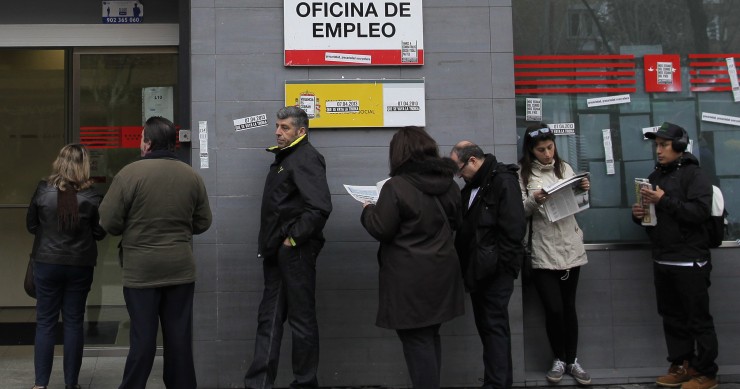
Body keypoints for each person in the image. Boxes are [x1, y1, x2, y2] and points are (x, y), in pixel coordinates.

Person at [99, 116, 212, 389]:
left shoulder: (129, 175)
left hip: (142, 272)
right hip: (180, 270)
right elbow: (203, 221)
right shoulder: (192, 175)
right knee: (179, 342)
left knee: (143, 340)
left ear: (147, 143)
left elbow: (109, 222)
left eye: (141, 138)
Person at [360, 126, 465, 389]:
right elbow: (458, 222)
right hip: (442, 272)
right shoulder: (449, 185)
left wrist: (367, 210)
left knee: (416, 341)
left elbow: (381, 229)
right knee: (429, 336)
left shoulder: (396, 187)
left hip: (409, 278)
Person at [244, 106, 332, 389]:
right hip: (277, 253)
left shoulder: (305, 158)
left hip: (295, 253)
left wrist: (291, 240)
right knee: (268, 319)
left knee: (301, 320)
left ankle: (305, 383)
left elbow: (319, 208)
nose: (278, 131)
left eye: (284, 127)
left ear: (301, 131)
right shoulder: (288, 158)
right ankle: (258, 383)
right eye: (278, 126)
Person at [631, 122, 718, 389]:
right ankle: (681, 365)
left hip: (690, 260)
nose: (658, 150)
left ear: (679, 147)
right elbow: (657, 216)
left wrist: (663, 201)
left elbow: (699, 213)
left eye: (664, 145)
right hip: (663, 259)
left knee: (697, 320)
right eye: (656, 145)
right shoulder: (655, 177)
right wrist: (639, 216)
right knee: (672, 318)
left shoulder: (695, 176)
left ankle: (706, 373)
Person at [27, 144, 107, 389]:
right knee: (73, 322)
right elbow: (100, 232)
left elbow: (31, 226)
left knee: (46, 322)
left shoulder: (43, 191)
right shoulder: (93, 196)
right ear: (84, 166)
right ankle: (71, 384)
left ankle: (41, 385)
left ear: (59, 162)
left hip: (47, 263)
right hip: (79, 265)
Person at [518, 123, 591, 385]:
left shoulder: (565, 168)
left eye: (550, 148)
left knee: (569, 308)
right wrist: (534, 199)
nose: (547, 154)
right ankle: (559, 358)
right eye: (541, 150)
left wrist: (583, 189)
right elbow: (519, 212)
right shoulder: (524, 175)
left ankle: (573, 360)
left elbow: (580, 204)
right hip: (543, 249)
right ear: (531, 150)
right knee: (554, 309)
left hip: (570, 244)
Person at [449, 141, 526, 389]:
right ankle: (496, 380)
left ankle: (497, 383)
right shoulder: (473, 186)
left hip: (495, 272)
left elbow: (514, 229)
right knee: (488, 327)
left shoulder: (503, 180)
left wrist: (502, 267)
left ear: (473, 160)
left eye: (460, 169)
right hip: (478, 270)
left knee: (494, 327)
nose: (459, 176)